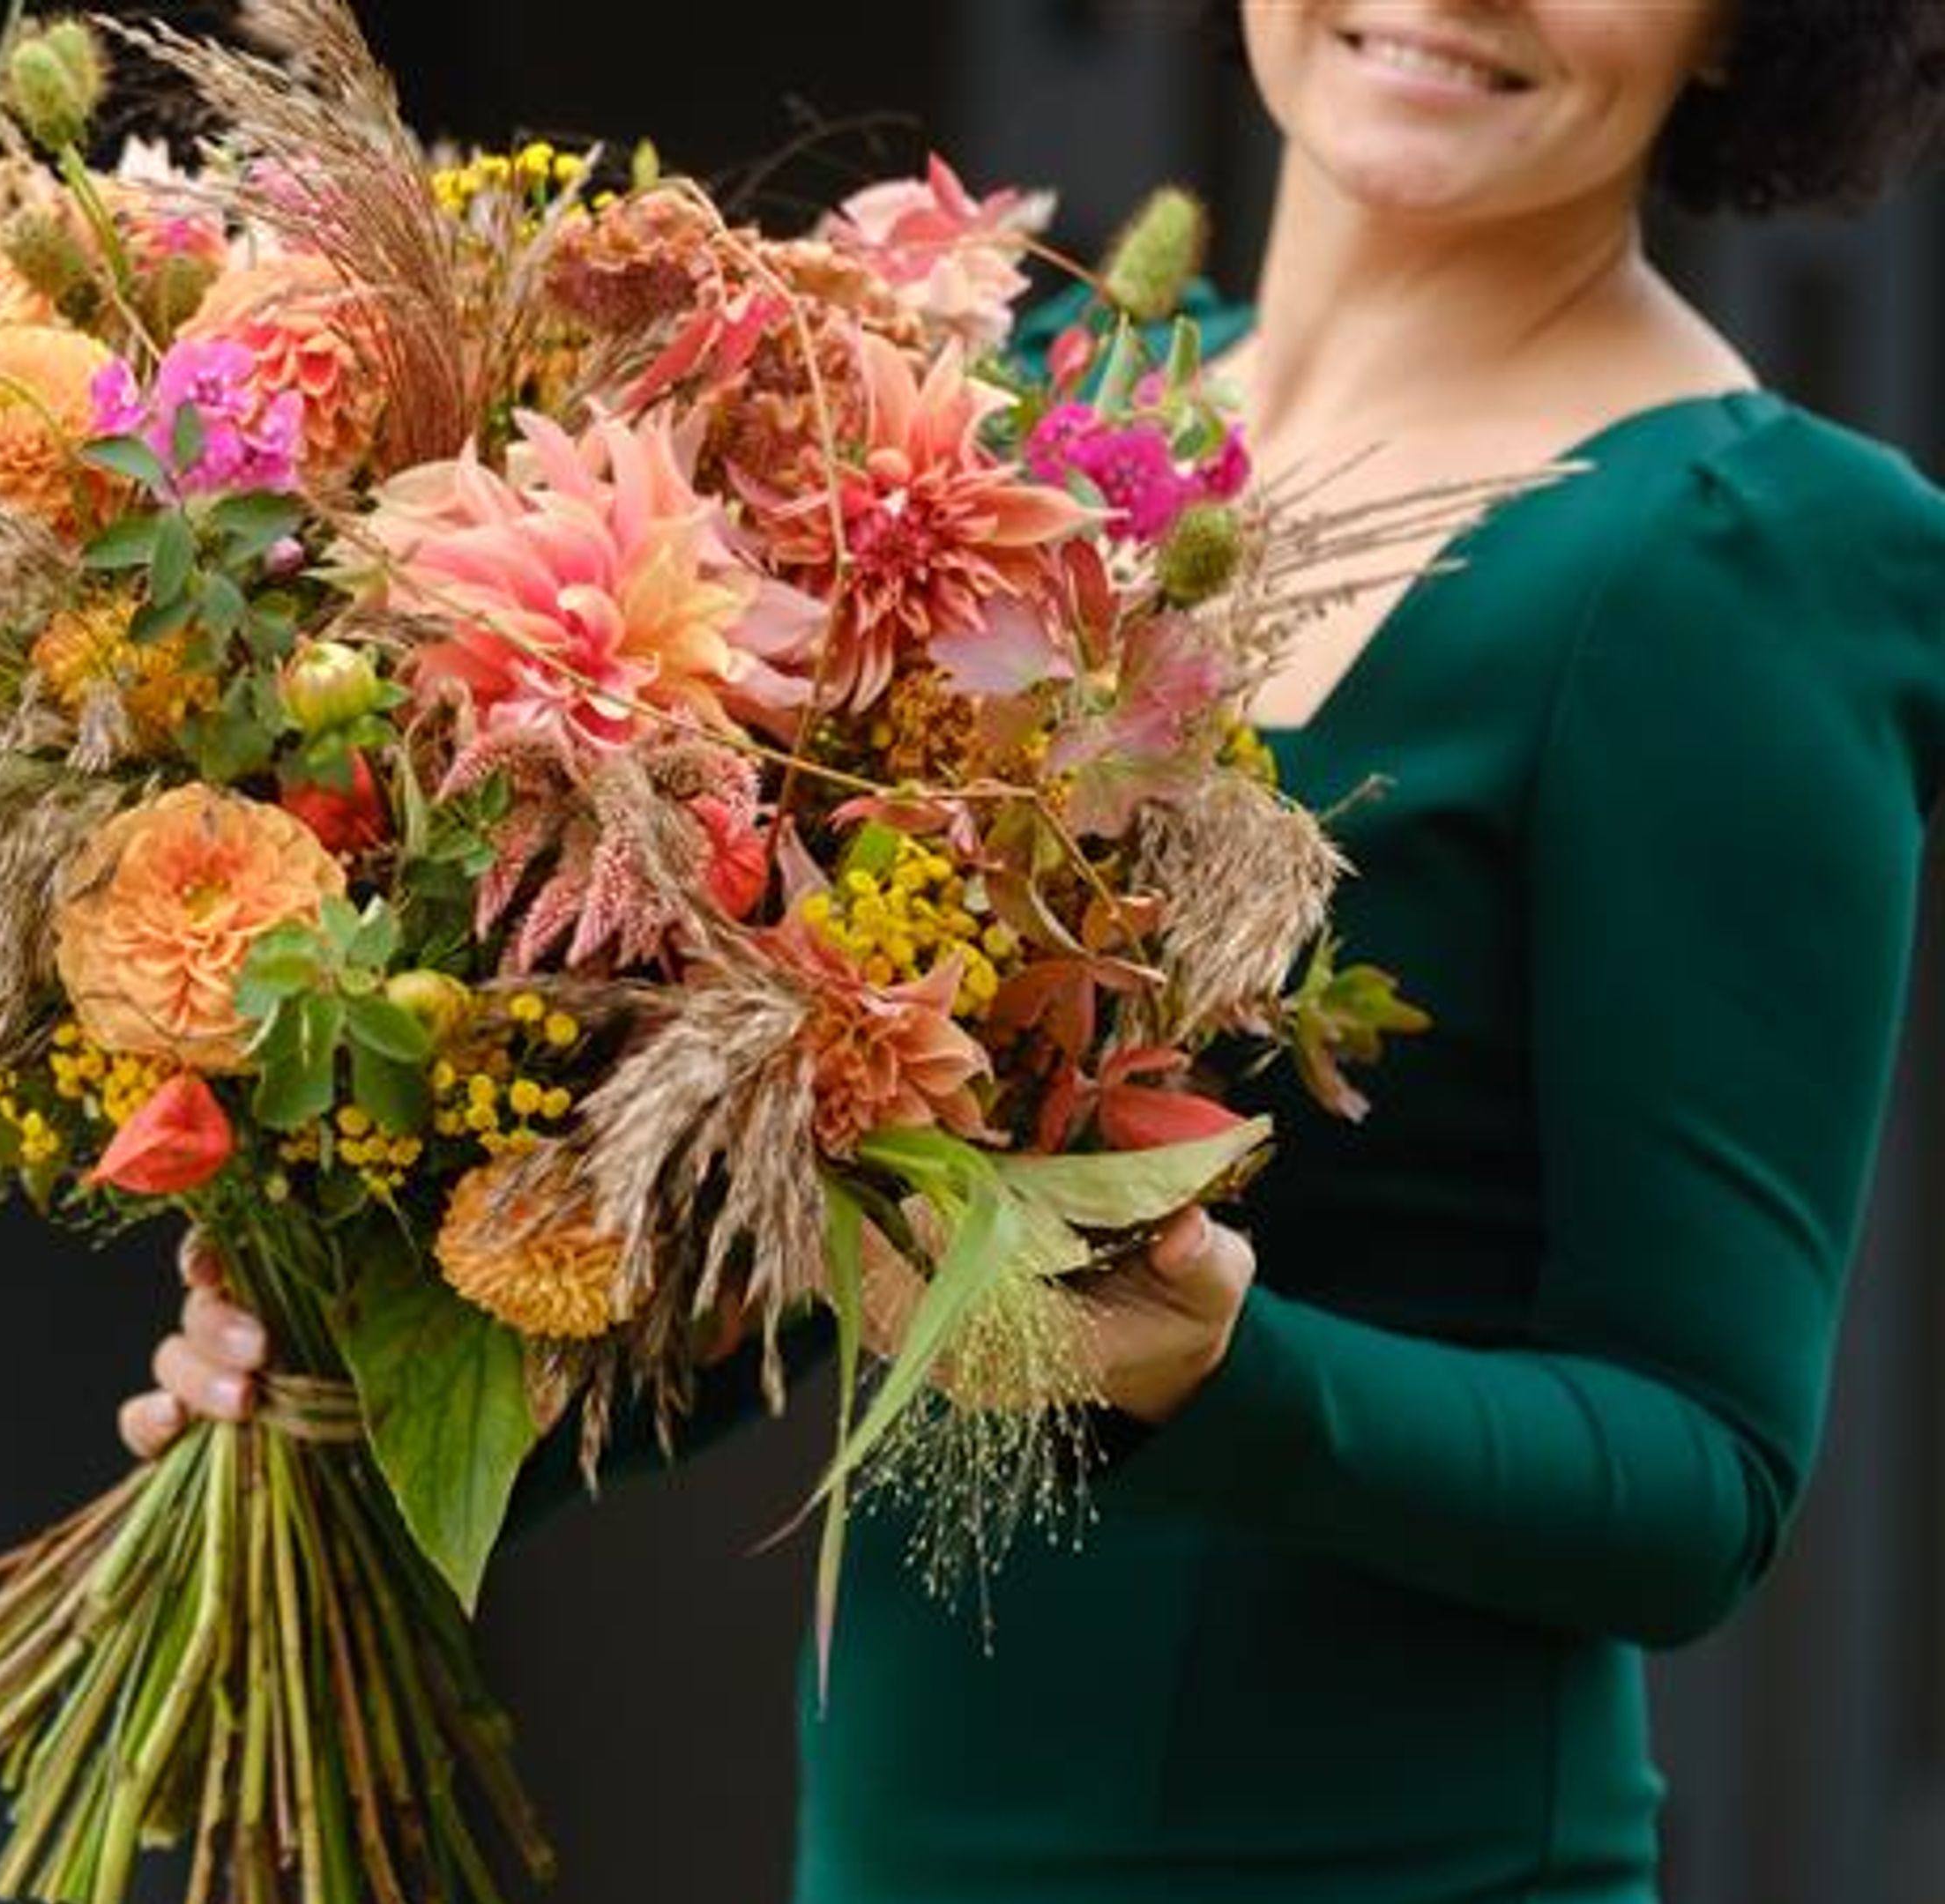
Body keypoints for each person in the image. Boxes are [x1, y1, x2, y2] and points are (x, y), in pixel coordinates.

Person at [124, 2, 1945, 1898]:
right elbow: (851, 1260)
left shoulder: (1755, 557)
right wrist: (391, 1370)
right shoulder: (1034, 424)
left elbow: (1702, 1490)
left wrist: (1216, 1380)